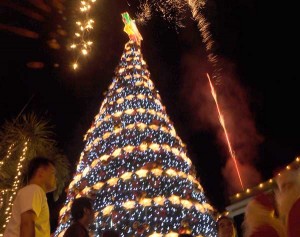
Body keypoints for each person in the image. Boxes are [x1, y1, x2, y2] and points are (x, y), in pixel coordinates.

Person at [4, 156, 57, 237]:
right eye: (53, 173)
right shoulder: (34, 189)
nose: (55, 178)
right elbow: (27, 223)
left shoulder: (33, 191)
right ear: (41, 172)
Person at [275, 168, 300, 237]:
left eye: (289, 185)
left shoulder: (296, 207)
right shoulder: (287, 212)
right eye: (283, 187)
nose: (286, 190)